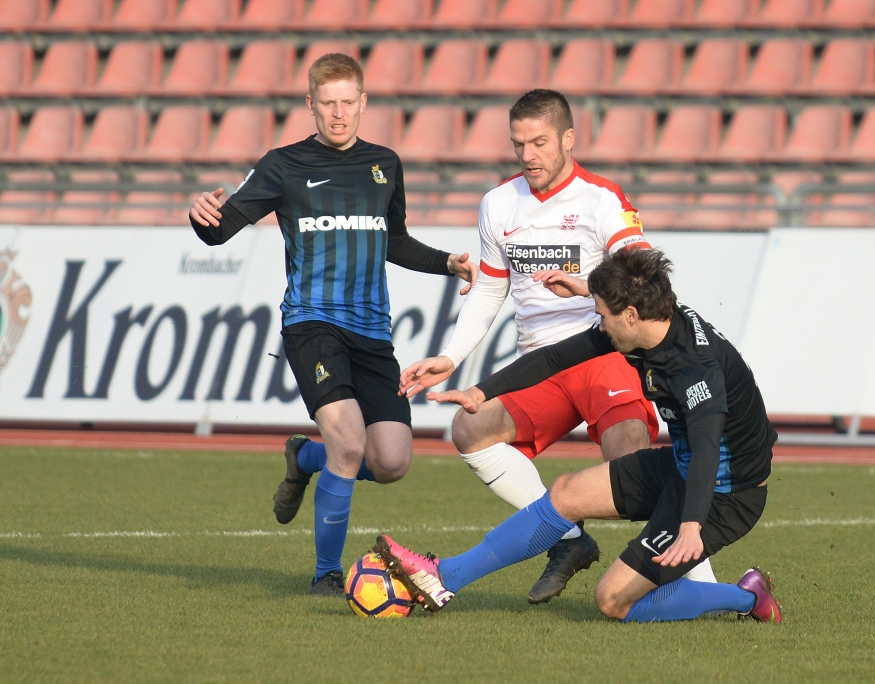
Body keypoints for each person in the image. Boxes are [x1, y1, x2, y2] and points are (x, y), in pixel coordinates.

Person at [394, 88, 716, 603]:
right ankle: (567, 540)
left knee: (629, 456)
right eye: (519, 144)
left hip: (601, 354)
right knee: (470, 427)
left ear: (569, 138)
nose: (528, 155)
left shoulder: (602, 200)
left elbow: (643, 278)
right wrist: (451, 357)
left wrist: (589, 287)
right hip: (539, 362)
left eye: (539, 142)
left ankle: (693, 580)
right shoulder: (499, 203)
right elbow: (492, 288)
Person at [188, 53, 477, 596]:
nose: (339, 114)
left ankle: (305, 456)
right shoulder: (283, 164)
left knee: (391, 460)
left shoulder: (385, 164)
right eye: (328, 104)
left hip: (372, 332)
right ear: (311, 106)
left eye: (348, 103)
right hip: (312, 324)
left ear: (364, 103)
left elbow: (392, 240)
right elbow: (221, 229)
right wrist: (201, 216)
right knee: (349, 442)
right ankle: (325, 573)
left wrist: (447, 263)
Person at [374, 248, 781, 623]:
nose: (600, 324)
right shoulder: (650, 322)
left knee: (613, 601)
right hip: (683, 466)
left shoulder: (697, 367)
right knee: (567, 492)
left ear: (631, 315)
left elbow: (709, 446)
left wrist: (691, 525)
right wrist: (480, 392)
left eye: (603, 314)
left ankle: (749, 598)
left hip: (724, 496)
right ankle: (445, 575)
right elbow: (554, 357)